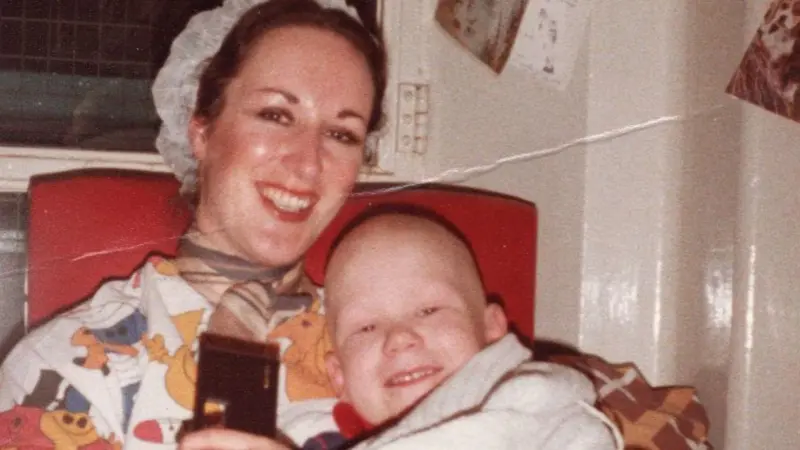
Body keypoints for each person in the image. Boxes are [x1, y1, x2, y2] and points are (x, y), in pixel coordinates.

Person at [0, 1, 387, 449]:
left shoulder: (393, 350)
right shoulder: (67, 366)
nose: (307, 164)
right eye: (275, 115)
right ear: (201, 132)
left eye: (341, 135)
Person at [181, 206, 622, 449]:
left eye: (429, 310)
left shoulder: (532, 403)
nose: (400, 338)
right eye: (367, 328)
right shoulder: (304, 440)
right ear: (339, 378)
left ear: (492, 330)